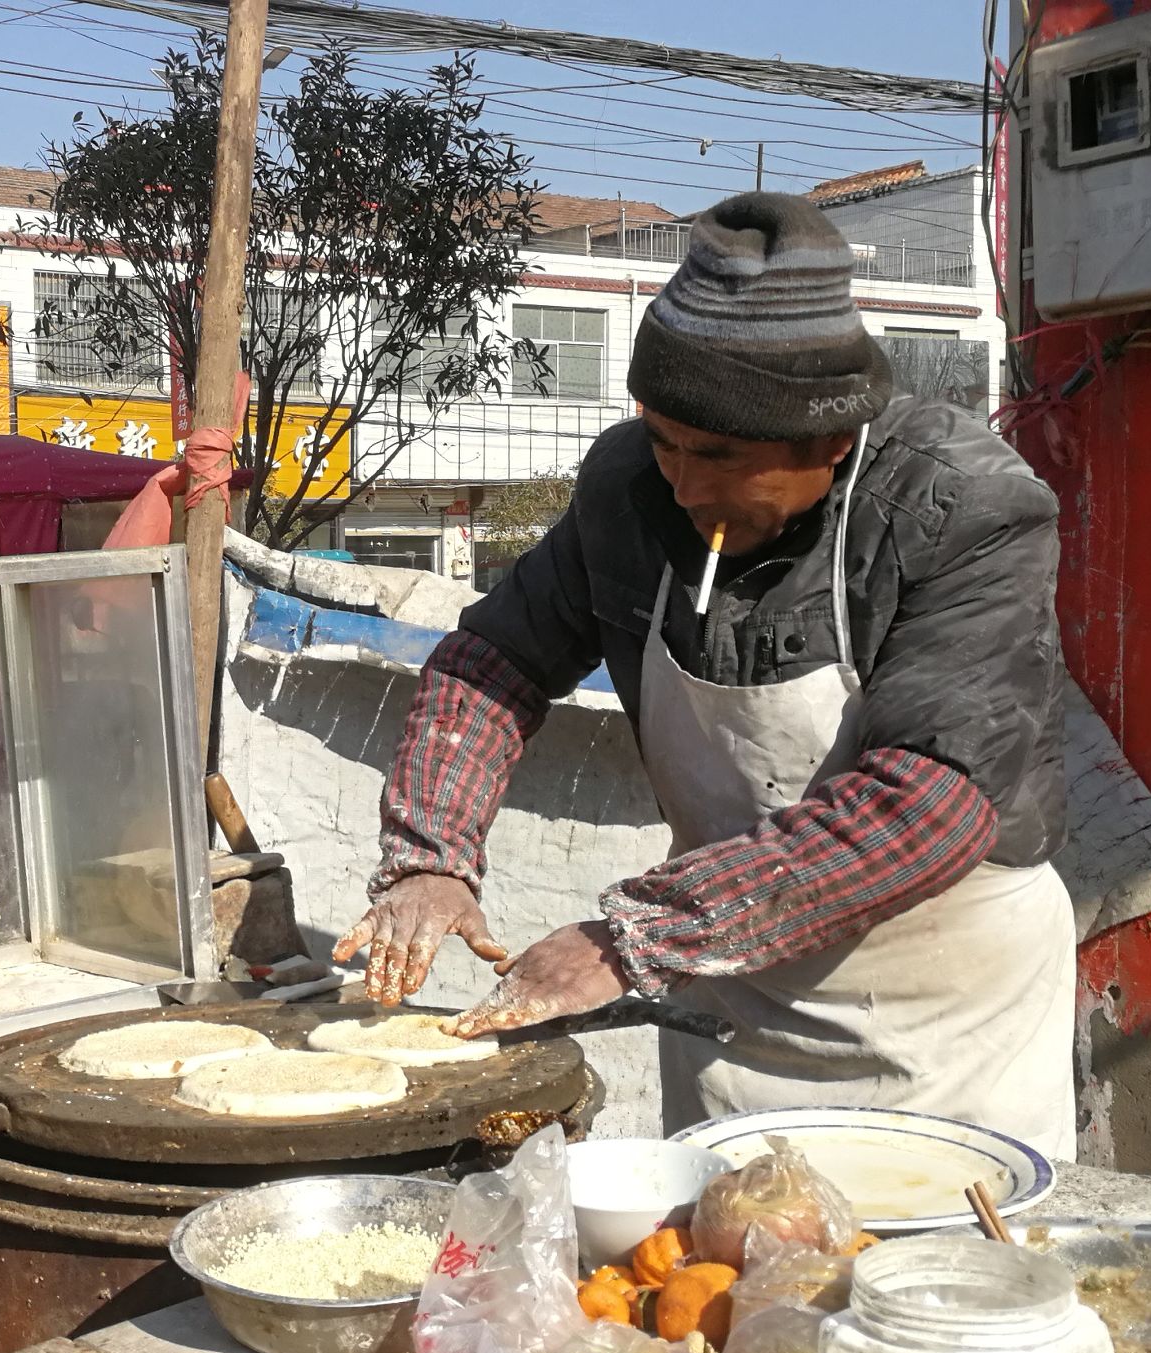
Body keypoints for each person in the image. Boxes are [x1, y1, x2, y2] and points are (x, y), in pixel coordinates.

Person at [337, 191, 1077, 1157]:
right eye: (662, 439)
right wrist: (430, 857)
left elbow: (923, 806)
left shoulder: (965, 511)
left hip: (941, 1012)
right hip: (725, 994)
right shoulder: (629, 494)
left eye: (722, 456)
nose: (684, 485)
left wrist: (634, 937)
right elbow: (493, 661)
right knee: (716, 1278)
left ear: (832, 440)